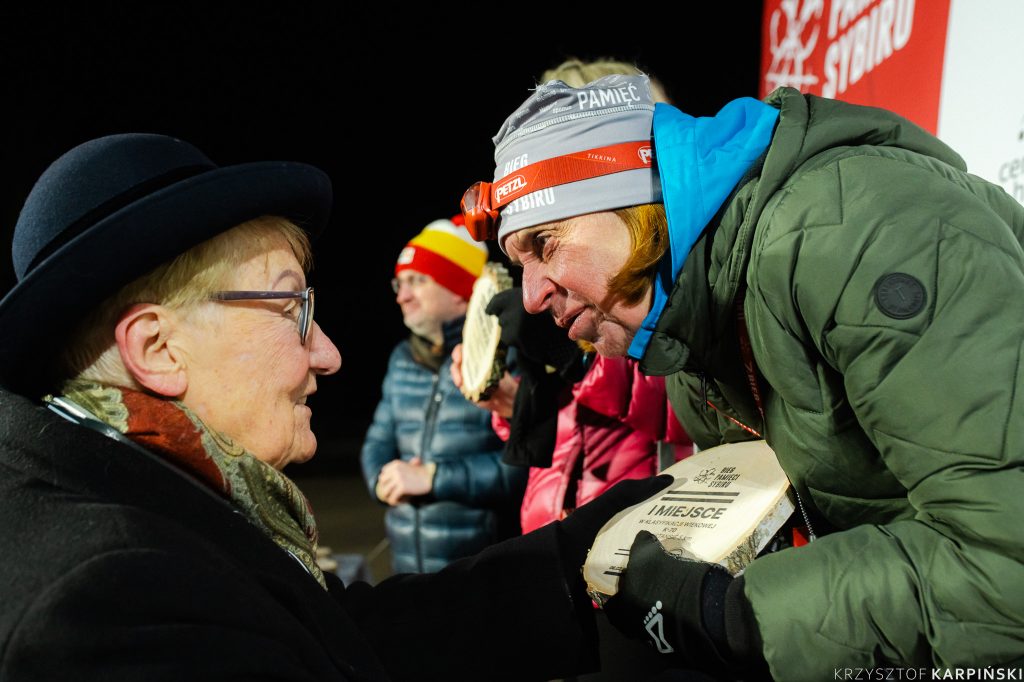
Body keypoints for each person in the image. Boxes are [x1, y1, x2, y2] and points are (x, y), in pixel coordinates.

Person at [0, 132, 671, 681]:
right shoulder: (108, 608)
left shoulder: (140, 501)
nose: (327, 355)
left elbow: (341, 636)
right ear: (157, 349)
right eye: (292, 307)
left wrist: (583, 553)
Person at [462, 74, 1024, 677]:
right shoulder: (690, 336)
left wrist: (730, 615)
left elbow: (1005, 564)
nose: (529, 298)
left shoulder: (861, 234)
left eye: (543, 244)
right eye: (516, 265)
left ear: (628, 201)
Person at [361, 218, 526, 574]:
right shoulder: (402, 359)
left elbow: (524, 467)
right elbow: (376, 443)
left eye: (418, 281)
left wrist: (434, 477)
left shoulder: (507, 354)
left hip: (484, 575)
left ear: (459, 290)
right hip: (408, 572)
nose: (402, 295)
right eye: (400, 282)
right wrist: (381, 480)